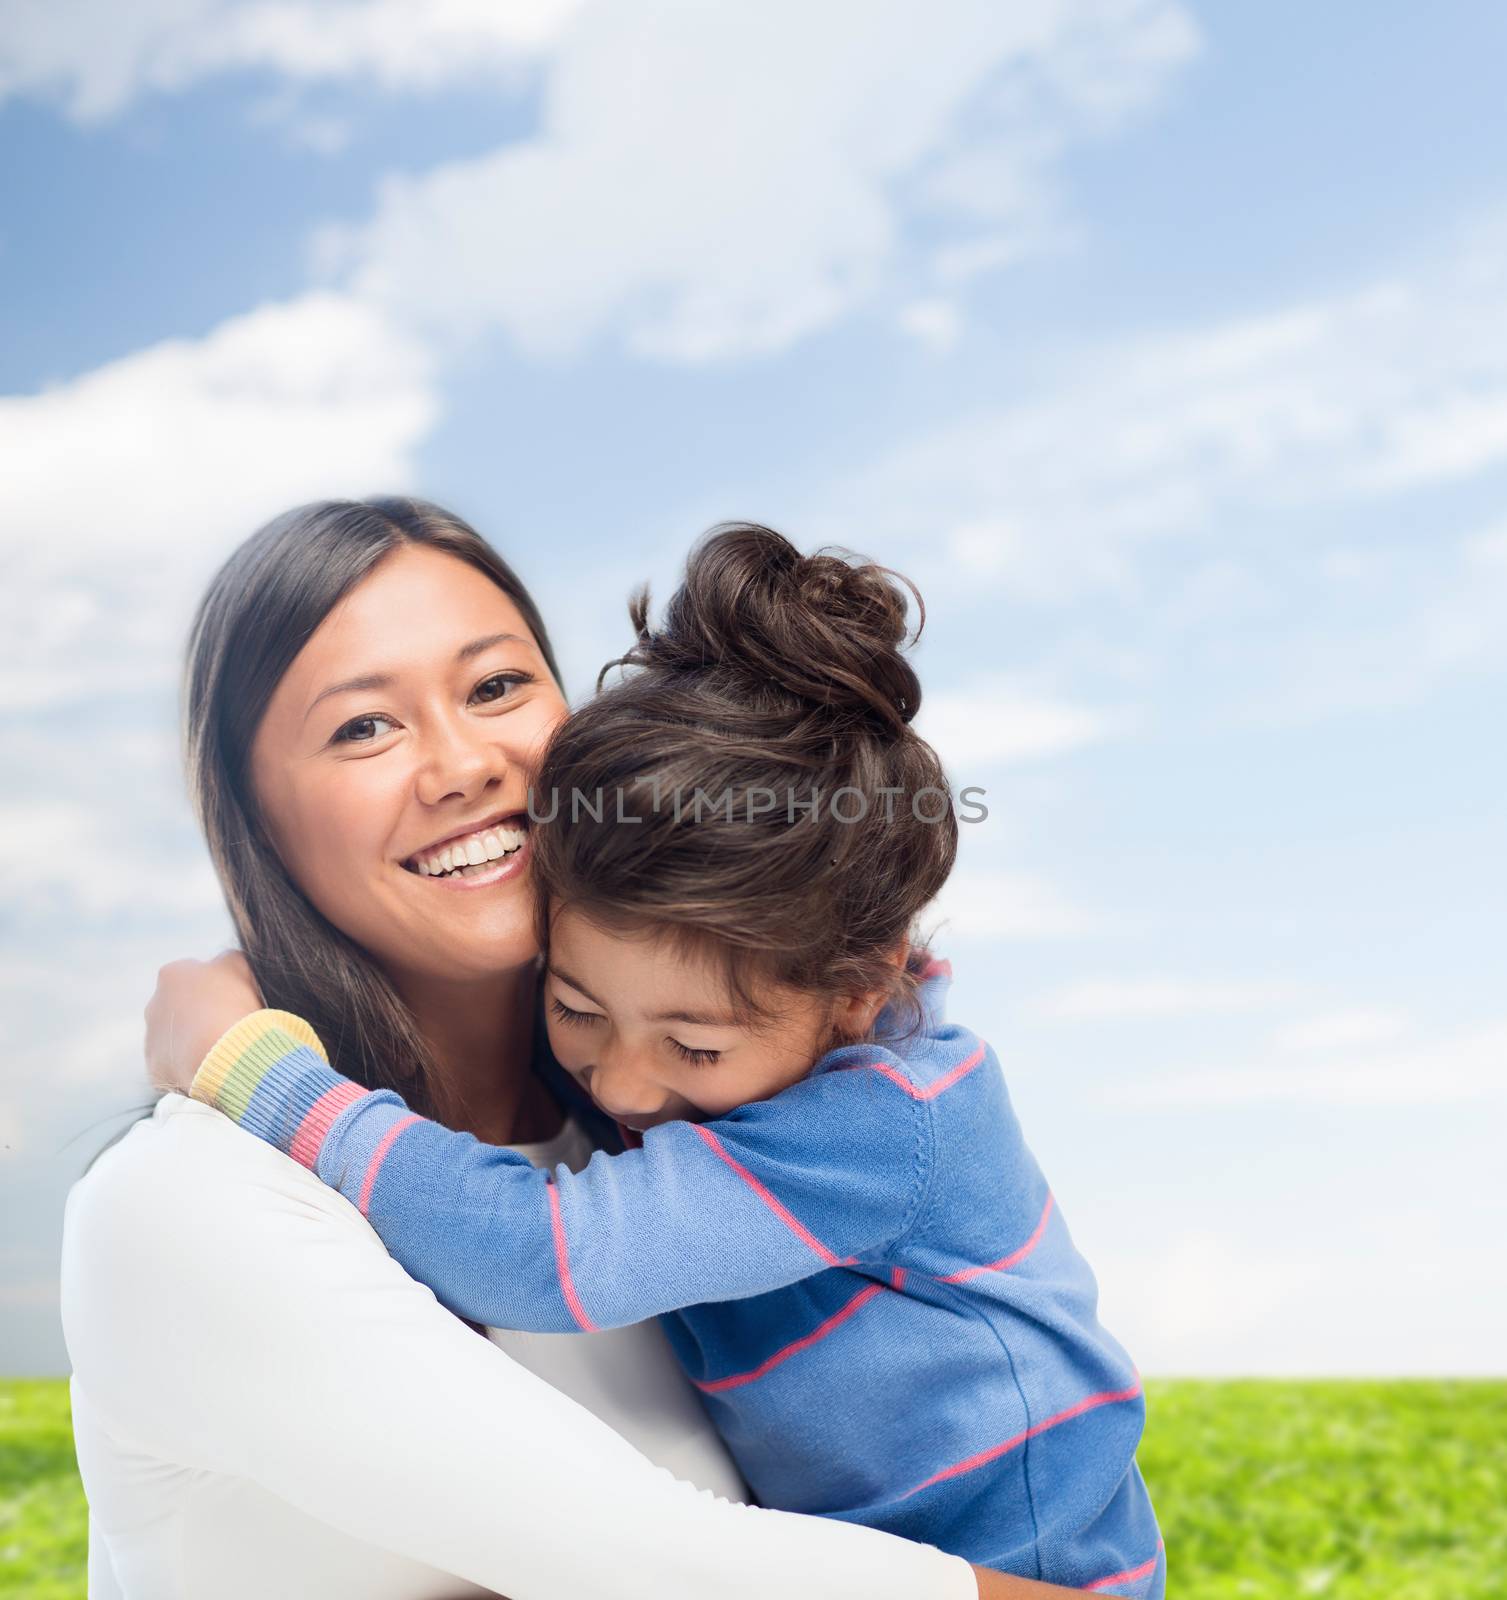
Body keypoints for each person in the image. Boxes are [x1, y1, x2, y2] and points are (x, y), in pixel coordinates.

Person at [62, 497, 1099, 1600]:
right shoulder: (186, 1201)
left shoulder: (663, 1133)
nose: (461, 763)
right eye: (364, 725)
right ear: (251, 817)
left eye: (496, 686)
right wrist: (251, 1071)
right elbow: (660, 1569)